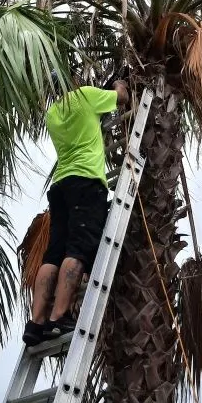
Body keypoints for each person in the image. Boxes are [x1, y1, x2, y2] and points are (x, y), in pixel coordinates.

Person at [22, 76, 130, 346]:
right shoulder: (86, 96)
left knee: (53, 253)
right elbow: (122, 99)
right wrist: (118, 83)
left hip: (60, 186)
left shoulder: (53, 113)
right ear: (72, 83)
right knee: (78, 249)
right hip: (86, 182)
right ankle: (58, 317)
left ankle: (36, 323)